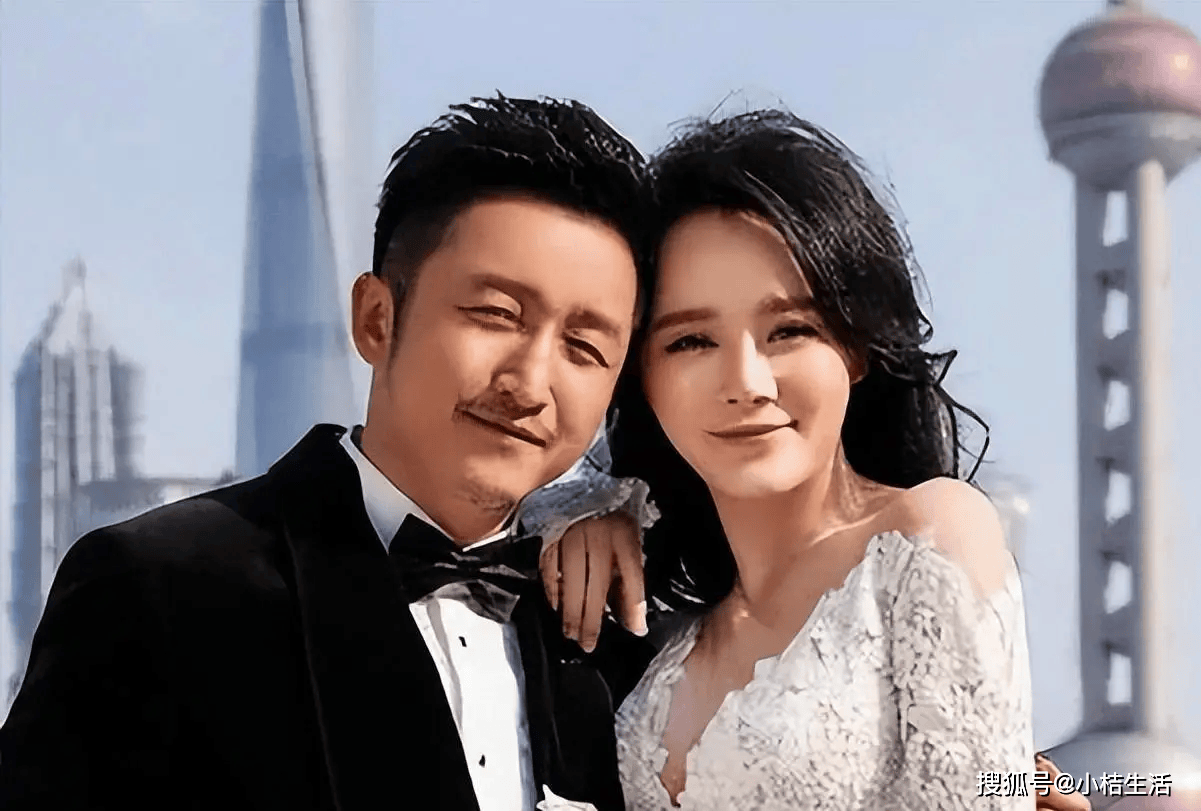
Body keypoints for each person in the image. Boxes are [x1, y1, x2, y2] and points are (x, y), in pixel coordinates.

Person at [0, 94, 660, 811]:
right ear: (376, 318)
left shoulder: (615, 627)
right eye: (495, 315)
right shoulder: (161, 585)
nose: (529, 384)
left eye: (584, 347)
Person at [542, 107, 1063, 810]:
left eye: (788, 330)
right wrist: (599, 510)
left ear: (855, 349)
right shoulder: (665, 621)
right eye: (691, 341)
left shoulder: (926, 536)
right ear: (642, 376)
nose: (745, 383)